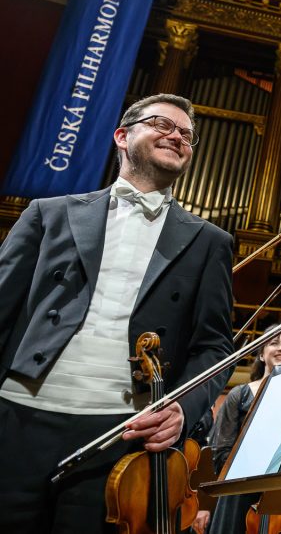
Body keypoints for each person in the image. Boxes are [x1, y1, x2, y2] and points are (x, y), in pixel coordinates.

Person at [0, 94, 235, 533]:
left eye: (186, 134)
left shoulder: (210, 242)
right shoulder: (48, 214)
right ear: (122, 137)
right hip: (18, 418)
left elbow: (215, 345)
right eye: (163, 124)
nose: (177, 136)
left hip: (120, 436)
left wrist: (183, 408)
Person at [207, 329, 281, 534]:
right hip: (239, 494)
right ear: (261, 354)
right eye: (274, 343)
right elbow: (221, 452)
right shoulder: (240, 394)